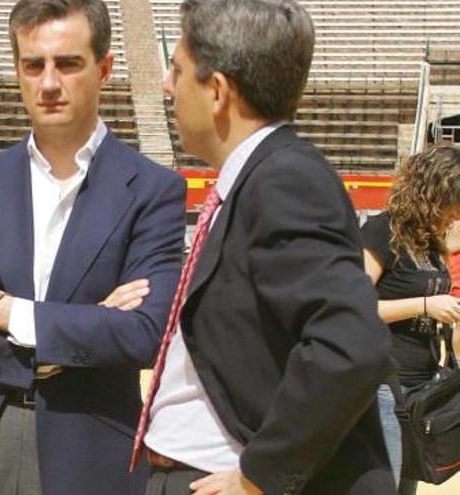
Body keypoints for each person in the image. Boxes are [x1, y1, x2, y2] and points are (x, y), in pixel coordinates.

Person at [0, 1, 187, 493]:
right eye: (33, 64)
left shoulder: (154, 190)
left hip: (90, 449)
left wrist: (9, 313)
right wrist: (70, 336)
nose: (47, 83)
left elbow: (145, 334)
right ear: (17, 70)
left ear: (103, 69)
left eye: (67, 63)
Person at [134, 1, 395, 494]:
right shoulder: (261, 177)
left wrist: (260, 476)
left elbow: (352, 345)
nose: (167, 87)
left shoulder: (283, 179)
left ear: (217, 91)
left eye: (177, 70)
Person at [361, 144, 460, 494]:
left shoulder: (430, 242)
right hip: (384, 386)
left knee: (406, 488)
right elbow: (354, 307)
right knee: (386, 487)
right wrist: (425, 304)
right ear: (433, 194)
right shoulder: (380, 231)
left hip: (421, 389)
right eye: (452, 205)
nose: (456, 215)